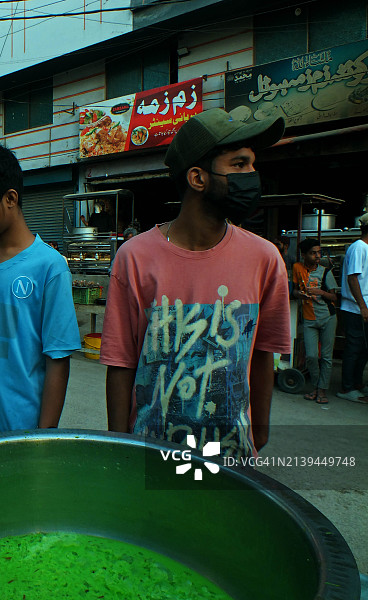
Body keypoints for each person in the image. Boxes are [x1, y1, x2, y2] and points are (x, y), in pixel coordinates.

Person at [100, 108, 290, 459]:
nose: (251, 176)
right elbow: (121, 363)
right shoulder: (135, 257)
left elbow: (265, 352)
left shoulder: (265, 259)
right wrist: (120, 448)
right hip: (150, 454)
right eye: (239, 164)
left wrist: (258, 433)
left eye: (252, 165)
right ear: (198, 178)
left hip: (230, 458)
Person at [0, 144, 81, 433]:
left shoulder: (50, 267)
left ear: (10, 198)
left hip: (20, 431)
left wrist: (42, 438)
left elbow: (58, 360)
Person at [291, 238, 339, 405]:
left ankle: (321, 390)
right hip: (309, 319)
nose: (317, 256)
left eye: (319, 252)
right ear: (304, 255)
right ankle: (316, 386)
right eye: (313, 253)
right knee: (311, 356)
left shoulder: (325, 272)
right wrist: (301, 295)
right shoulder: (297, 268)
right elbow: (295, 291)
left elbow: (334, 297)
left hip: (328, 318)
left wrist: (321, 292)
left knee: (326, 357)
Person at [336, 214, 368, 404]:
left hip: (362, 308)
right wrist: (363, 306)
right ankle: (347, 387)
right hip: (355, 308)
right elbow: (352, 278)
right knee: (354, 347)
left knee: (363, 349)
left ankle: (356, 384)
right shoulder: (358, 248)